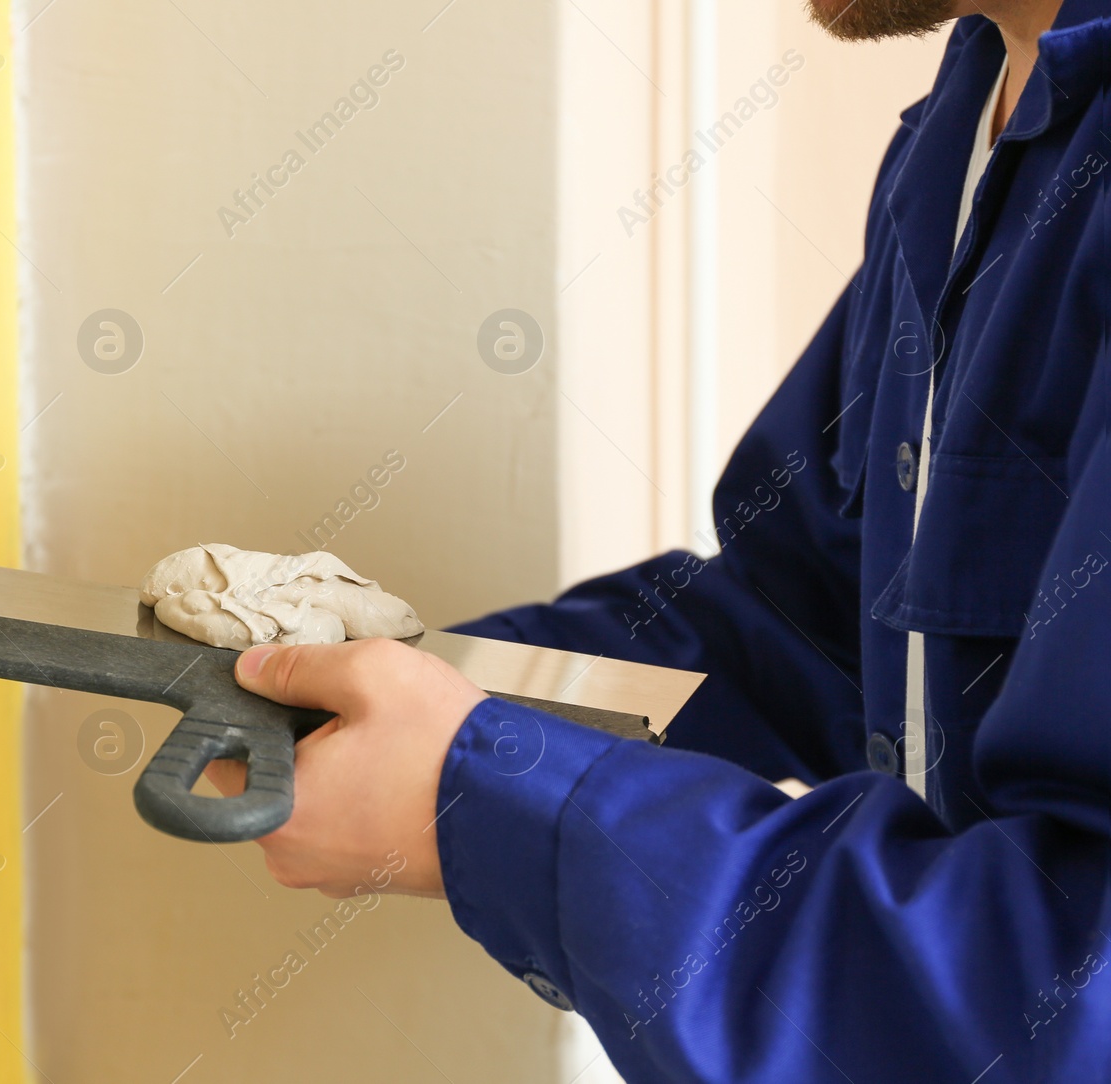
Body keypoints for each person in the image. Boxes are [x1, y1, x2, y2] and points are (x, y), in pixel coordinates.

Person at [205, 0, 1111, 1079]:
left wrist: (480, 792)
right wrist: (415, 692)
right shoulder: (961, 141)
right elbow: (804, 628)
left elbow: (1075, 985)